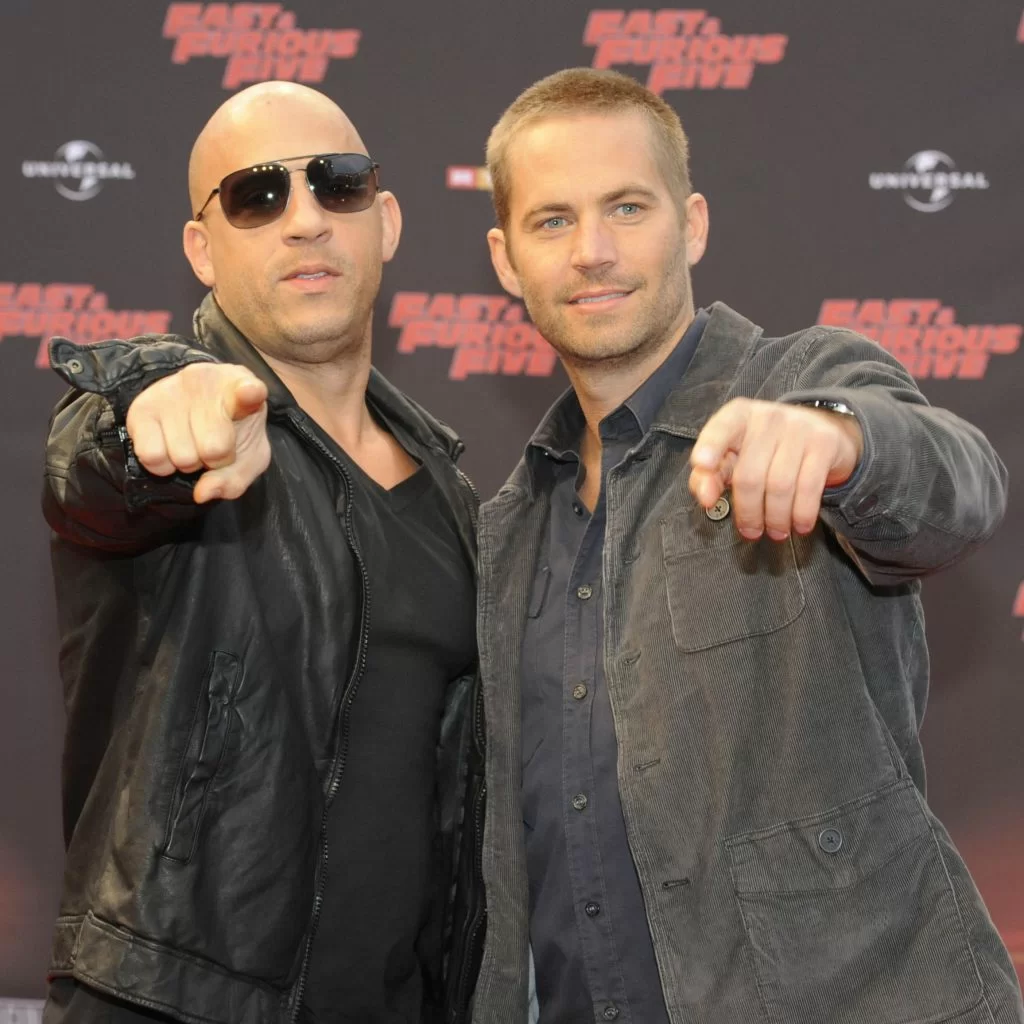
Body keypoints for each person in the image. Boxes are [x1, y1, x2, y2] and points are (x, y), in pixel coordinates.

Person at [470, 67, 1023, 1024]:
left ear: (692, 225)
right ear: (507, 260)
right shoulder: (507, 528)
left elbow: (959, 485)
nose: (593, 251)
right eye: (553, 220)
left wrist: (842, 443)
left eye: (627, 208)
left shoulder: (802, 381)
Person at [41, 82, 484, 1024]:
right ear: (202, 249)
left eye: (338, 184)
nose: (305, 219)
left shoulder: (454, 492)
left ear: (385, 222)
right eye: (258, 194)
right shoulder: (180, 426)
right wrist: (160, 416)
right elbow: (98, 457)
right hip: (169, 1004)